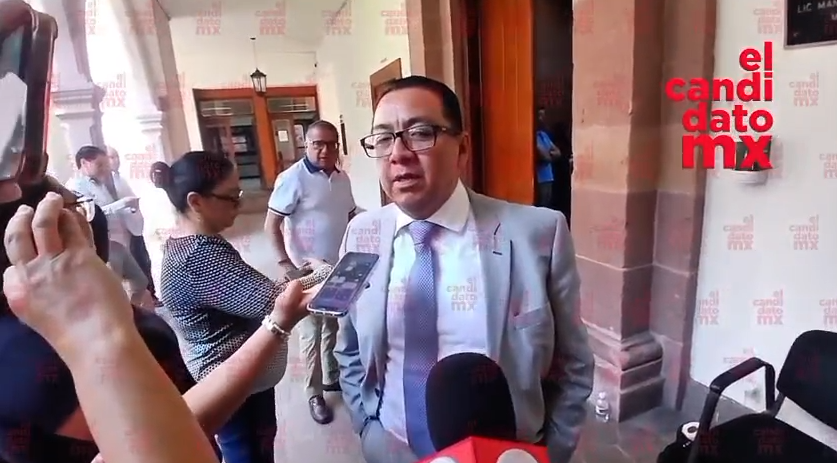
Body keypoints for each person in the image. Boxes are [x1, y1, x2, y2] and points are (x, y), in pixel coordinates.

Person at [335, 76, 595, 463]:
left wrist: (549, 453)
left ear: (463, 148)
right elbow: (350, 347)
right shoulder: (361, 234)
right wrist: (368, 427)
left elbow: (573, 363)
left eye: (420, 133)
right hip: (391, 449)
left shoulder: (538, 233)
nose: (398, 154)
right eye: (384, 138)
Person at [1, 189, 321, 463]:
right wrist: (96, 331)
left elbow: (178, 416)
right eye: (74, 209)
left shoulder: (80, 303)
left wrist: (277, 325)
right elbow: (159, 438)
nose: (89, 217)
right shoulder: (28, 355)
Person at [153, 151, 331, 463]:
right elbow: (273, 301)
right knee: (248, 452)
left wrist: (300, 275)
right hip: (232, 383)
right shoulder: (197, 255)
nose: (239, 205)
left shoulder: (190, 244)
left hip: (240, 378)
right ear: (196, 202)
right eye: (230, 197)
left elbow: (243, 291)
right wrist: (325, 272)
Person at [264, 120, 356, 425]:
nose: (325, 150)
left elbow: (349, 216)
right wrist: (286, 265)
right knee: (311, 334)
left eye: (331, 144)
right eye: (318, 144)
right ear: (306, 145)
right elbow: (271, 225)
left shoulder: (342, 179)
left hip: (337, 267)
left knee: (332, 326)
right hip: (307, 271)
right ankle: (314, 393)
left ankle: (331, 377)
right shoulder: (292, 179)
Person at [65, 146, 151, 307]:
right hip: (101, 244)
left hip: (117, 241)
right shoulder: (75, 187)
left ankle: (133, 311)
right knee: (114, 288)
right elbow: (91, 214)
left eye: (105, 164)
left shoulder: (101, 183)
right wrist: (121, 204)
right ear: (84, 163)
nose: (105, 169)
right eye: (100, 165)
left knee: (140, 280)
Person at [106, 146, 159, 305]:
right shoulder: (102, 184)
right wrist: (123, 204)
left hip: (133, 228)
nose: (115, 160)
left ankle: (150, 296)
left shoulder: (120, 179)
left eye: (116, 156)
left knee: (143, 263)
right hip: (115, 235)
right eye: (111, 157)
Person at [535, 108, 562, 208]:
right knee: (541, 207)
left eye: (543, 115)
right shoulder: (533, 137)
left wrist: (548, 154)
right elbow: (545, 157)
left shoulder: (544, 135)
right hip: (539, 179)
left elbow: (558, 152)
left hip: (548, 178)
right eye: (539, 115)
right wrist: (550, 154)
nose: (542, 118)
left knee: (547, 206)